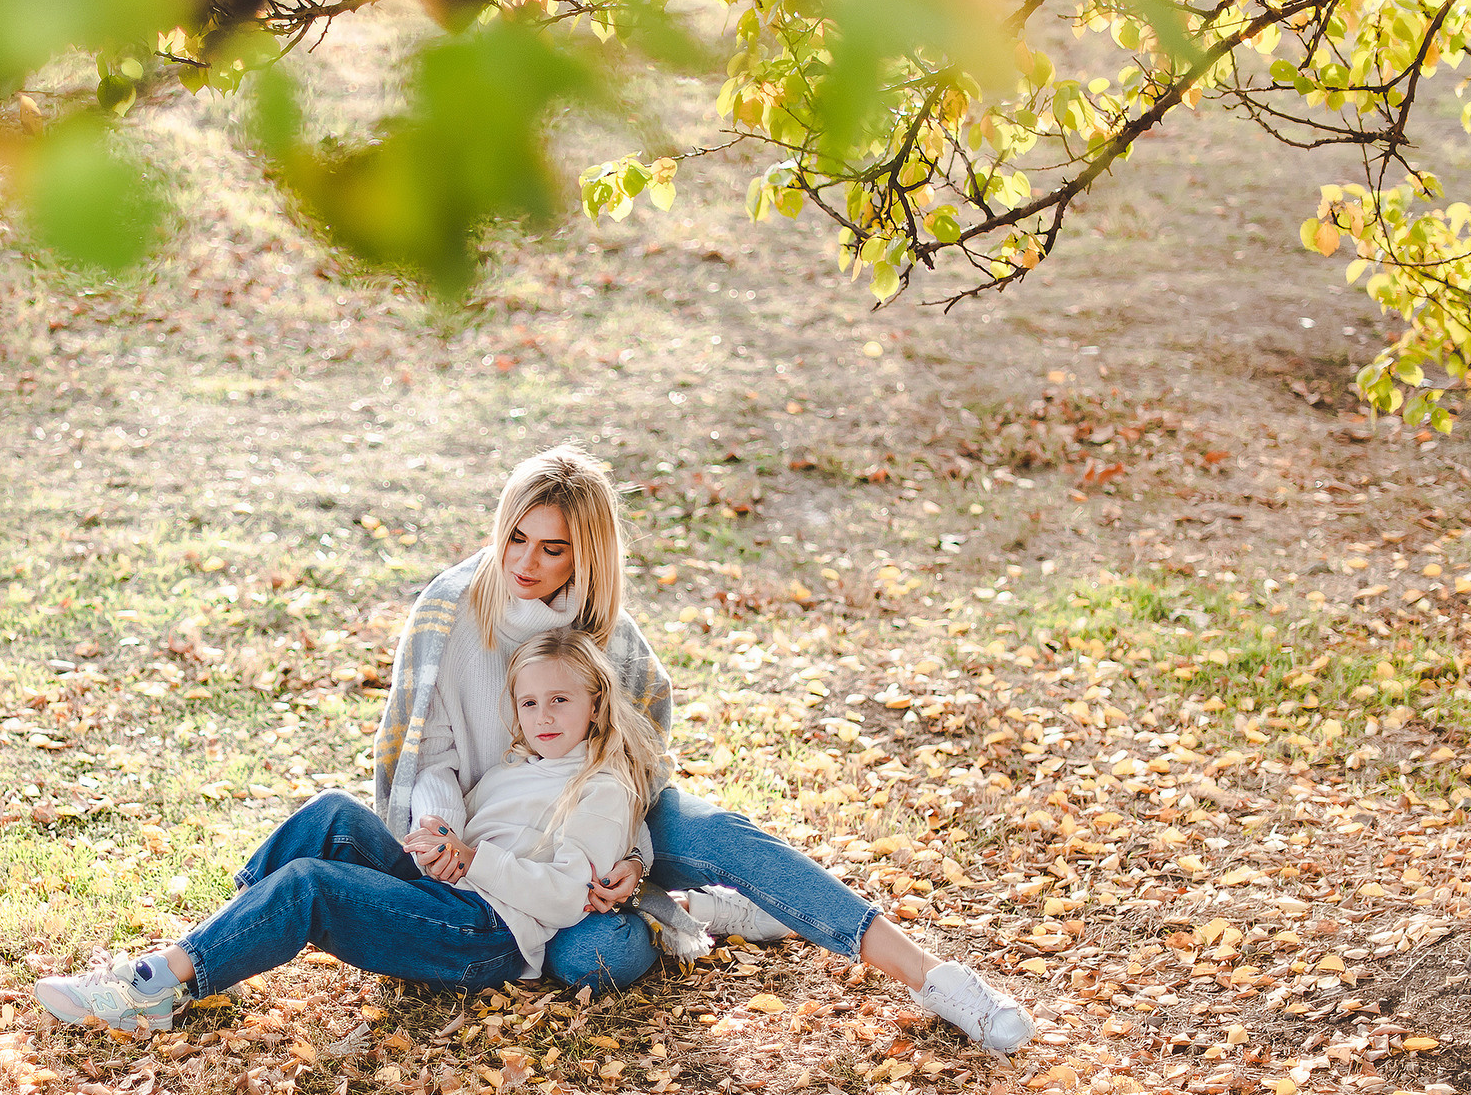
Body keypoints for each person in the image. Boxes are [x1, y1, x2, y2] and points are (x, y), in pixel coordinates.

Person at [370, 444, 1034, 1053]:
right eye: (515, 537)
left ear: (585, 556)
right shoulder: (450, 610)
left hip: (598, 808)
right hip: (502, 836)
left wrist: (631, 851)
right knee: (591, 958)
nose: (524, 562)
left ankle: (937, 977)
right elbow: (430, 758)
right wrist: (443, 834)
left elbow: (637, 752)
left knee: (725, 838)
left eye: (552, 548)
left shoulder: (603, 628)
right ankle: (692, 909)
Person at [34, 629, 671, 1031]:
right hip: (456, 894)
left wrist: (471, 860)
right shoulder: (518, 766)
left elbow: (565, 896)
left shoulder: (601, 786)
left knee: (313, 886)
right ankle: (213, 941)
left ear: (595, 704)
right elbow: (468, 840)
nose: (544, 715)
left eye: (562, 699)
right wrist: (439, 845)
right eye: (530, 702)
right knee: (332, 815)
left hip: (492, 937)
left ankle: (151, 987)